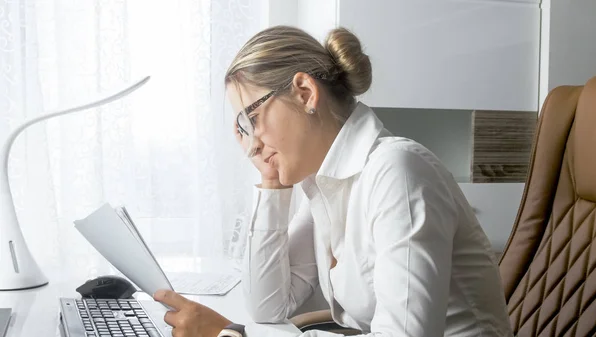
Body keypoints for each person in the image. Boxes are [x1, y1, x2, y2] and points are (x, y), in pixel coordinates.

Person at [154, 25, 514, 337]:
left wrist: (229, 334)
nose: (251, 146)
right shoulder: (326, 186)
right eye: (242, 131)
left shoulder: (397, 172)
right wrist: (271, 180)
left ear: (306, 93)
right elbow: (268, 305)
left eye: (252, 120)